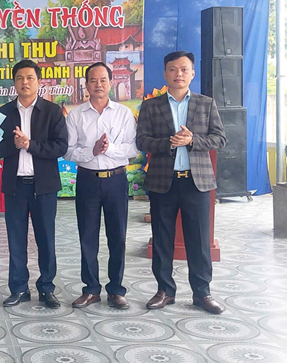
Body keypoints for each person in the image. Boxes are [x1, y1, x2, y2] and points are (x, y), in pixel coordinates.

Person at [136, 51, 227, 315]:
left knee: (199, 241)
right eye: (173, 69)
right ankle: (164, 291)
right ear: (165, 73)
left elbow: (220, 139)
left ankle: (202, 293)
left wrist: (192, 140)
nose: (179, 74)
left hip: (196, 183)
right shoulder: (151, 106)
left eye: (184, 69)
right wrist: (168, 143)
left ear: (192, 73)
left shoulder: (206, 104)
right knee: (162, 239)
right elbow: (141, 141)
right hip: (163, 182)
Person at [0, 59, 68, 309]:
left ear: (38, 81)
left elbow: (60, 147)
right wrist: (14, 145)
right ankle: (19, 288)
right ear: (14, 83)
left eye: (30, 78)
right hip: (15, 187)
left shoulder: (52, 111)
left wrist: (30, 145)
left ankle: (47, 288)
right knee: (16, 240)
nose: (25, 82)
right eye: (20, 78)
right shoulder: (3, 113)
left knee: (46, 239)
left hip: (43, 187)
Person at [64, 62, 139, 309]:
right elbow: (68, 151)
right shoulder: (76, 115)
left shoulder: (123, 113)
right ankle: (91, 289)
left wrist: (110, 148)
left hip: (116, 179)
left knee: (117, 236)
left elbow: (133, 148)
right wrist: (92, 151)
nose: (98, 85)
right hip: (88, 180)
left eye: (103, 80)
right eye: (93, 80)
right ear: (86, 85)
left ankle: (116, 290)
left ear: (111, 83)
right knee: (87, 237)